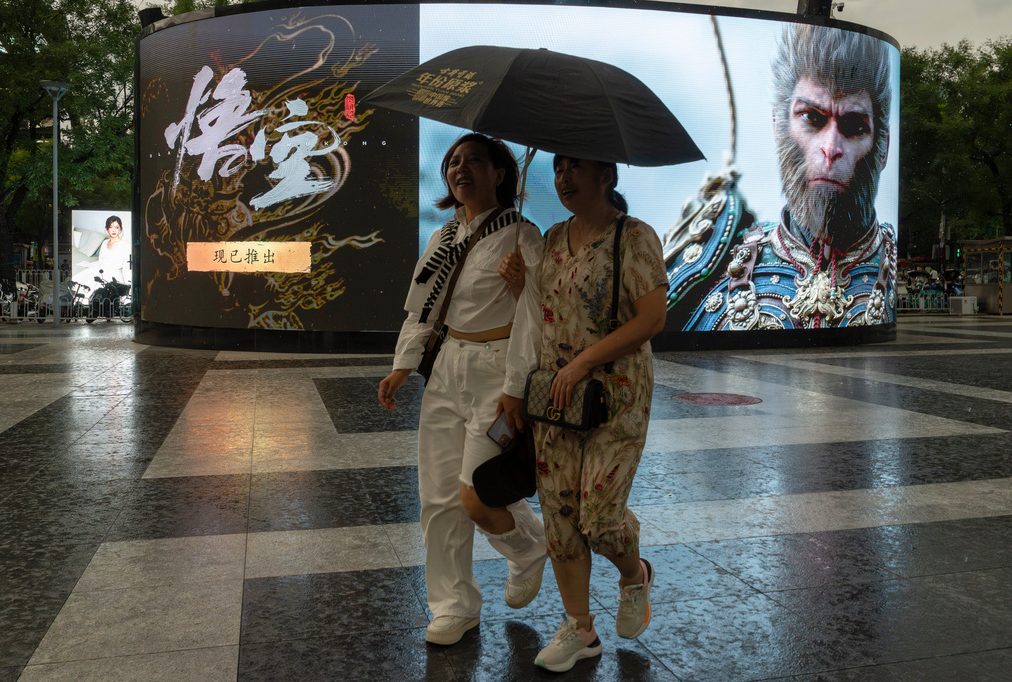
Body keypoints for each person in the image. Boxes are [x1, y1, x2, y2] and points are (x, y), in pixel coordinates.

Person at [377, 133, 548, 646]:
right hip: (447, 368)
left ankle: (528, 547)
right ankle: (453, 605)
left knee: (477, 492)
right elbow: (422, 310)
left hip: (498, 373)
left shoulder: (524, 235)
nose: (460, 169)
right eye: (453, 161)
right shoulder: (442, 238)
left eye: (475, 160)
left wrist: (516, 387)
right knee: (438, 497)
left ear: (500, 173)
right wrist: (402, 367)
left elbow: (539, 320)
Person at [501, 156, 669, 672]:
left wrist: (582, 363)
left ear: (606, 177)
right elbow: (545, 312)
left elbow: (652, 318)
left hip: (614, 394)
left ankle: (634, 571)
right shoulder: (552, 239)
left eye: (577, 168)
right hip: (557, 394)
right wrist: (518, 286)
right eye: (558, 168)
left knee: (598, 516)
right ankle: (580, 629)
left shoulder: (635, 237)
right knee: (561, 518)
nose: (564, 178)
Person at [680, 24, 896, 330]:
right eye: (813, 118)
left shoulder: (892, 258)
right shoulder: (718, 262)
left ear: (882, 146)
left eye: (853, 126)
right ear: (778, 128)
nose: (831, 148)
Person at [96, 215, 131, 285]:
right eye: (111, 227)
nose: (114, 230)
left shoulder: (126, 246)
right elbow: (100, 261)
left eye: (117, 227)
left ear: (120, 229)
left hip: (114, 277)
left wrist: (128, 286)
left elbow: (127, 269)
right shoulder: (104, 242)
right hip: (101, 273)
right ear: (106, 228)